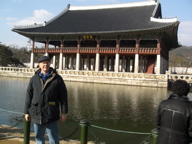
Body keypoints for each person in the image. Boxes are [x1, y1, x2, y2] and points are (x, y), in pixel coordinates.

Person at [24, 55, 68, 144]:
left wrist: (64, 112)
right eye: (43, 63)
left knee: (54, 139)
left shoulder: (57, 78)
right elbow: (29, 95)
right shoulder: (34, 78)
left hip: (51, 112)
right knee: (39, 138)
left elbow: (63, 96)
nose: (45, 65)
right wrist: (26, 112)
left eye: (47, 63)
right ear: (39, 65)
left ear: (50, 64)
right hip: (37, 112)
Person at [156, 80, 192, 144]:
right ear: (187, 92)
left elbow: (158, 124)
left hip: (162, 139)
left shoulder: (163, 103)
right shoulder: (189, 108)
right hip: (181, 140)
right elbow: (191, 131)